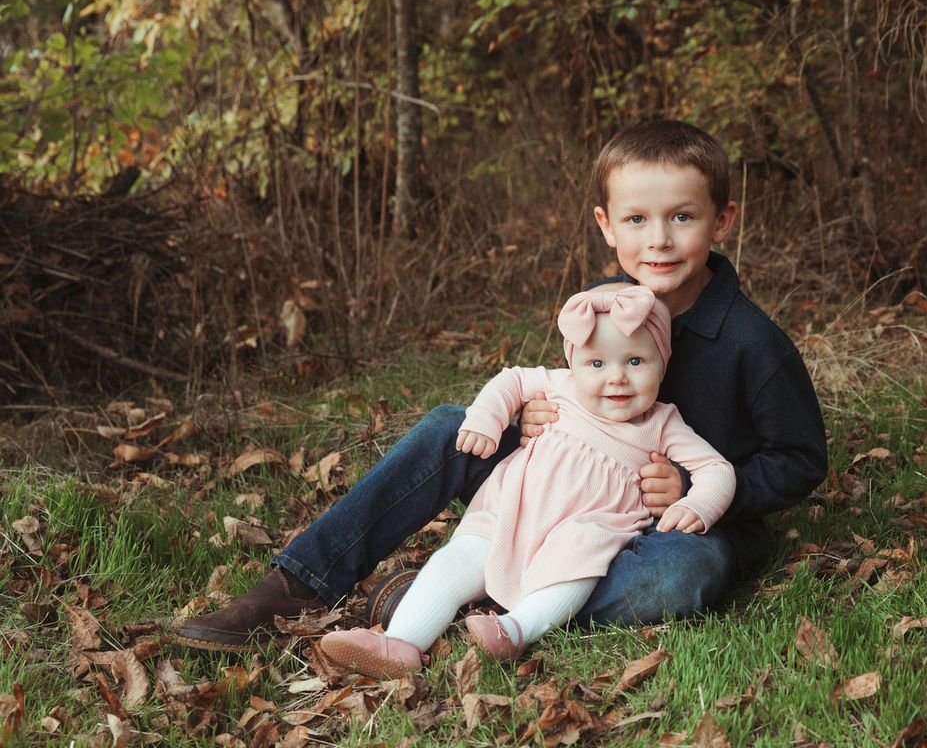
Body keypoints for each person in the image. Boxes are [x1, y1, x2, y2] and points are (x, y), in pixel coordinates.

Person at [176, 119, 828, 653]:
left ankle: (481, 605)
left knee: (686, 573)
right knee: (445, 427)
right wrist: (540, 414)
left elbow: (800, 460)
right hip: (562, 494)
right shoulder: (602, 303)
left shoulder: (752, 342)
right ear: (606, 226)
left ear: (722, 221)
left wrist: (693, 493)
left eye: (682, 217)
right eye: (636, 220)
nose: (657, 239)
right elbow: (576, 390)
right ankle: (301, 583)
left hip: (674, 523)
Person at [316, 286, 735, 678]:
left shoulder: (663, 423)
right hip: (511, 509)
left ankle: (514, 631)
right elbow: (512, 380)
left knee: (573, 571)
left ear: (663, 362)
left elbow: (716, 469)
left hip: (585, 529)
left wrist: (696, 505)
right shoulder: (559, 385)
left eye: (636, 362)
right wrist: (487, 417)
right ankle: (400, 644)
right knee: (454, 562)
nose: (617, 378)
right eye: (597, 363)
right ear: (573, 363)